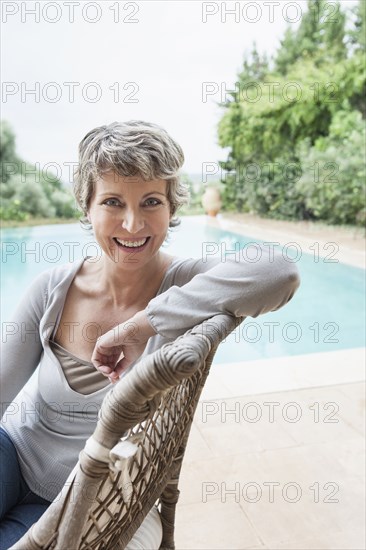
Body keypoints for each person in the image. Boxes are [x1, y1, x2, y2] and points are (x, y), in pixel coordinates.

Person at [0, 120, 300, 549]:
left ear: (172, 208)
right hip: (15, 455)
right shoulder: (53, 288)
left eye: (151, 201)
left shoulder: (188, 283)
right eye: (112, 201)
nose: (132, 224)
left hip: (94, 499)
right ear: (87, 206)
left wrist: (143, 326)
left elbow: (279, 272)